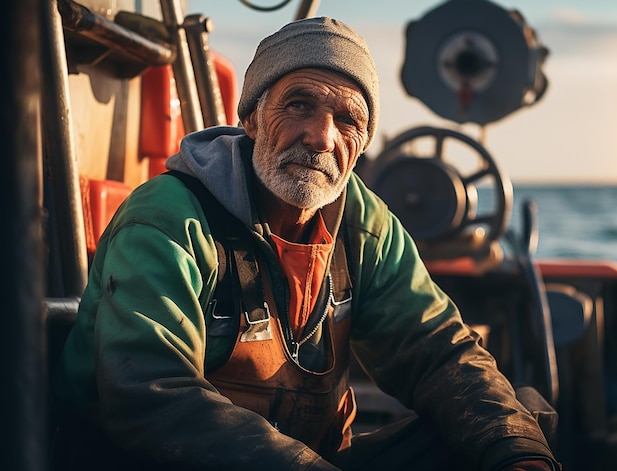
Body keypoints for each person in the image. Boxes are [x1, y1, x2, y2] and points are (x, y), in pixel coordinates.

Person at [54, 16, 560, 471]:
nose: (321, 137)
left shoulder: (362, 223)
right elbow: (147, 394)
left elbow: (436, 350)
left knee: (516, 426)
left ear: (362, 145)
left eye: (348, 121)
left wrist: (516, 453)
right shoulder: (169, 218)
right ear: (250, 118)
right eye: (299, 105)